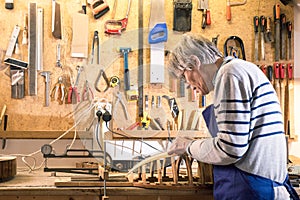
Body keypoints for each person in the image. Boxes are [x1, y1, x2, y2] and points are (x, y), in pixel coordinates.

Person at [167, 33, 299, 200]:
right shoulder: (240, 69)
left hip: (252, 189)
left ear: (194, 62)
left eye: (184, 77)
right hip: (257, 185)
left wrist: (188, 146)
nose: (187, 85)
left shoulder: (230, 74)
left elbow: (230, 148)